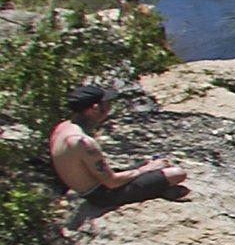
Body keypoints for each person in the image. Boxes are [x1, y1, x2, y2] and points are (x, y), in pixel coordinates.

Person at [49, 83, 188, 211]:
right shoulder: (82, 142)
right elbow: (112, 182)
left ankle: (156, 186)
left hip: (92, 185)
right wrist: (145, 170)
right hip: (103, 195)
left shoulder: (63, 128)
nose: (110, 106)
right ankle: (157, 190)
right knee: (176, 173)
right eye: (107, 103)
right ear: (94, 109)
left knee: (159, 164)